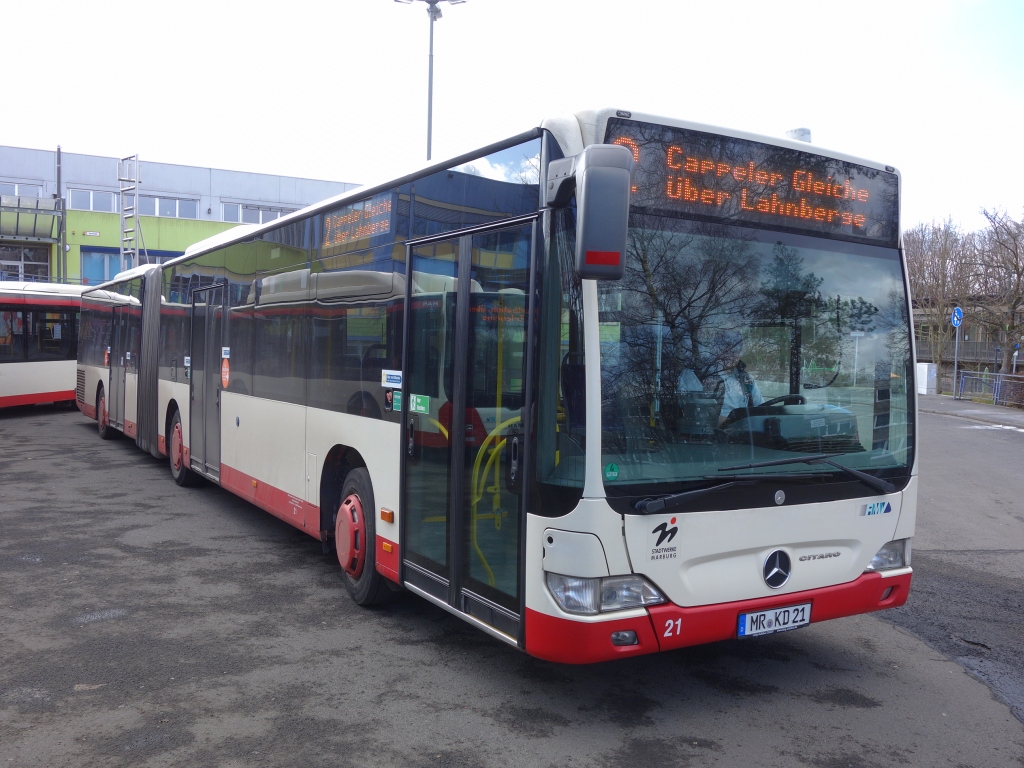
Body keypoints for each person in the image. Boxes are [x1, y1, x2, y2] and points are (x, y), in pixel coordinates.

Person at [713, 347, 763, 424]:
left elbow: (761, 408)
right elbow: (701, 416)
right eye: (727, 350)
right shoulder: (706, 378)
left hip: (745, 431)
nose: (731, 355)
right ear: (717, 352)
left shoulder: (746, 379)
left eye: (735, 351)